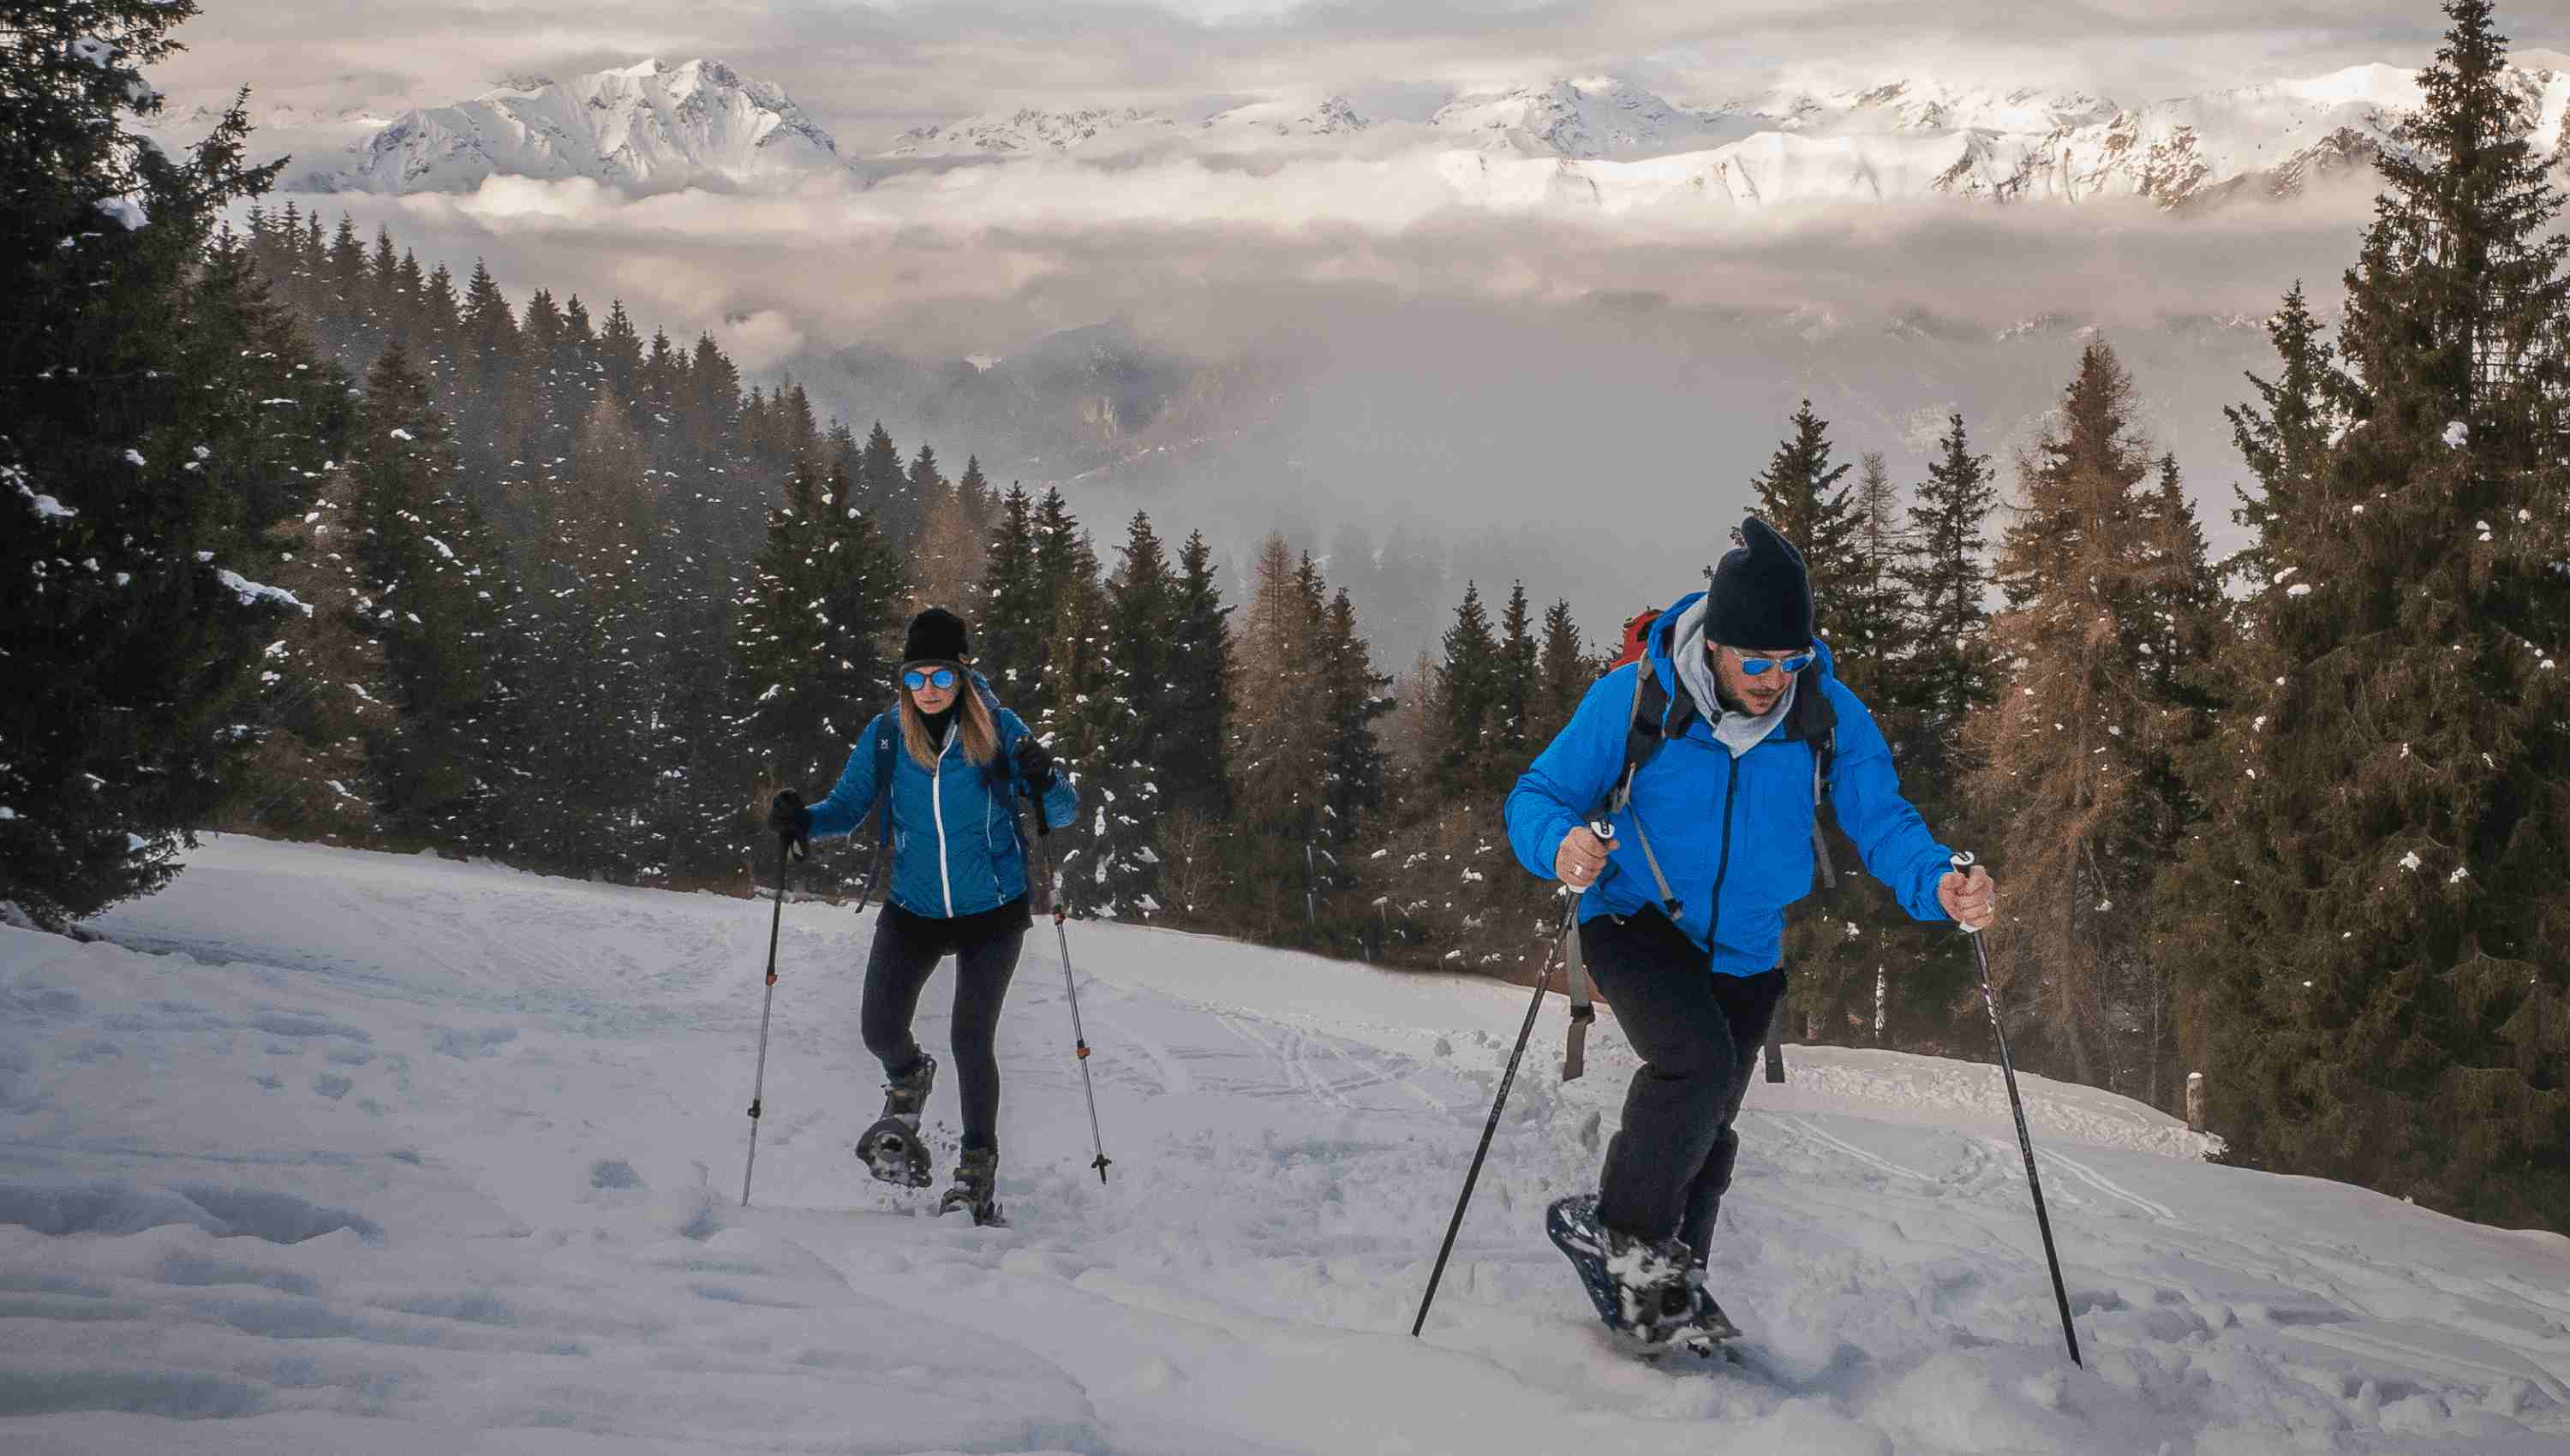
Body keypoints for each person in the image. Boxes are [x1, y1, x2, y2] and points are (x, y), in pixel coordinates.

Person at [1504, 516, 1995, 1340]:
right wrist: (1561, 843)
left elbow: (1882, 821)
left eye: (1792, 660)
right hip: (1632, 915)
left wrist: (1939, 882)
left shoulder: (1826, 715)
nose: (1775, 679)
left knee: (1709, 1123)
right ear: (1716, 647)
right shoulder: (1634, 698)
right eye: (1757, 661)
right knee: (1693, 1066)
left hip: (1746, 948)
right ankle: (1622, 1241)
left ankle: (1669, 1292)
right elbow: (1536, 795)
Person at [767, 606, 1078, 1225]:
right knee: (879, 1028)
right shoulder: (886, 736)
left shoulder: (999, 729)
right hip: (914, 906)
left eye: (939, 676)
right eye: (915, 678)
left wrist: (1046, 779)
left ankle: (975, 1170)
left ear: (963, 674)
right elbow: (849, 806)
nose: (927, 690)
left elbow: (1062, 811)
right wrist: (803, 821)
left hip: (991, 909)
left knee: (971, 1037)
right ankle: (908, 1077)